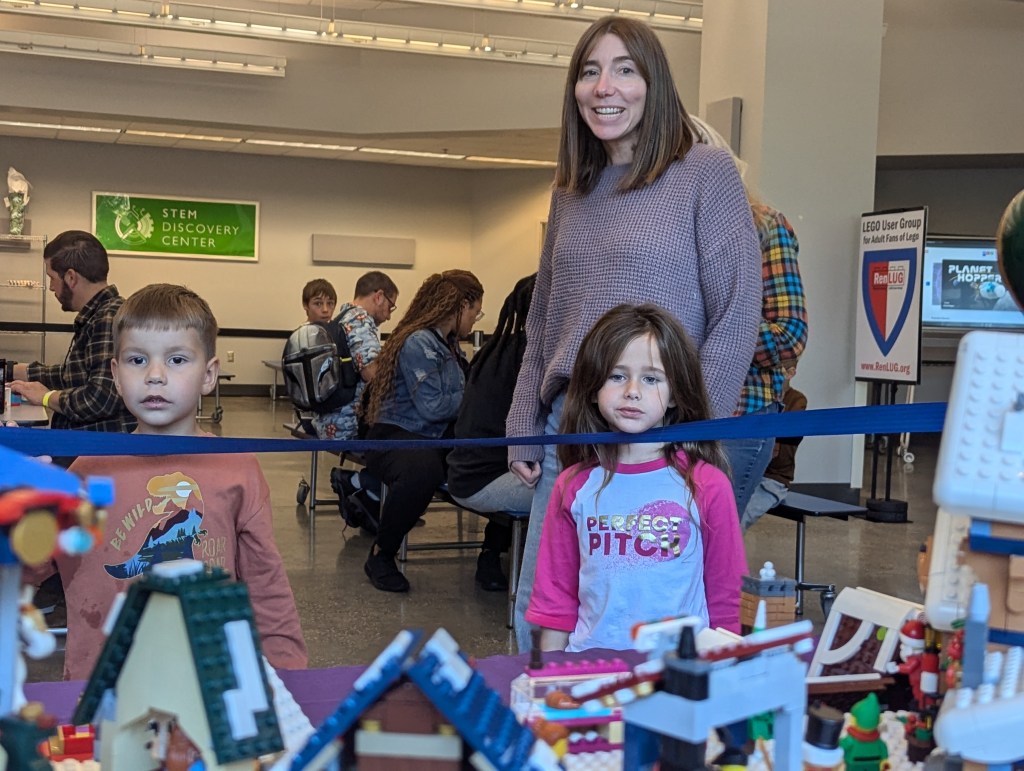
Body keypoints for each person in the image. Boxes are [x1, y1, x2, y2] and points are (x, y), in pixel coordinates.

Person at [505, 16, 762, 650]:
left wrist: (692, 424)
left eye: (625, 70)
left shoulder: (704, 172)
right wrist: (522, 419)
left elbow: (737, 310)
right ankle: (554, 714)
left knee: (658, 609)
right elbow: (544, 319)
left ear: (655, 84)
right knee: (546, 610)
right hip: (574, 425)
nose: (604, 87)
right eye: (589, 72)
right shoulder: (570, 191)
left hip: (664, 431)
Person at [24, 284, 308, 679]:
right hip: (104, 687)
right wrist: (20, 508)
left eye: (176, 359)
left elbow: (266, 585)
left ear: (209, 375)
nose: (155, 376)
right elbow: (24, 568)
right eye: (137, 360)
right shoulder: (87, 474)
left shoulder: (238, 468)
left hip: (207, 683)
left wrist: (289, 677)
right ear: (116, 375)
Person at [526, 304, 747, 652]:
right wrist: (550, 676)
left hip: (676, 672)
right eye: (616, 376)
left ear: (675, 394)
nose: (632, 390)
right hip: (590, 670)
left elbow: (727, 601)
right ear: (592, 387)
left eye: (651, 378)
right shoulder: (573, 485)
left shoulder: (707, 485)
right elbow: (555, 602)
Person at [690, 116, 809, 519]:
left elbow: (790, 335)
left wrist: (708, 330)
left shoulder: (764, 226)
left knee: (710, 542)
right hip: (660, 416)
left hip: (740, 417)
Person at [361, 269, 483, 592]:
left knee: (494, 456)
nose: (475, 320)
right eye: (475, 311)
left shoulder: (449, 346)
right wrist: (474, 398)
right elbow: (434, 407)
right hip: (396, 435)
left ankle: (492, 555)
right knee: (422, 470)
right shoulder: (419, 343)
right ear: (461, 306)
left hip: (431, 436)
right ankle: (381, 554)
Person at [447, 274, 537, 591]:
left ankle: (493, 552)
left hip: (466, 473)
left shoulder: (497, 349)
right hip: (485, 480)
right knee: (577, 491)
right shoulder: (530, 358)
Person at [7, 230, 136, 433]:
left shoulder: (108, 318)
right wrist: (13, 370)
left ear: (70, 277)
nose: (51, 287)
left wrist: (46, 397)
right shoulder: (101, 313)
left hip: (96, 447)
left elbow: (100, 398)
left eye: (51, 278)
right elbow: (73, 375)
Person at [317, 271, 399, 530]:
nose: (389, 315)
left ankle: (365, 494)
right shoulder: (361, 321)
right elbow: (371, 373)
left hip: (330, 418)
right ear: (379, 296)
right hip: (349, 423)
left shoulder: (342, 316)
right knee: (407, 452)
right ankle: (360, 486)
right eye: (390, 306)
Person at [740, 363, 807, 532]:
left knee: (740, 519)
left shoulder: (797, 400)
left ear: (791, 373)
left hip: (773, 479)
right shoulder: (758, 399)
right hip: (749, 472)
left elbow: (790, 434)